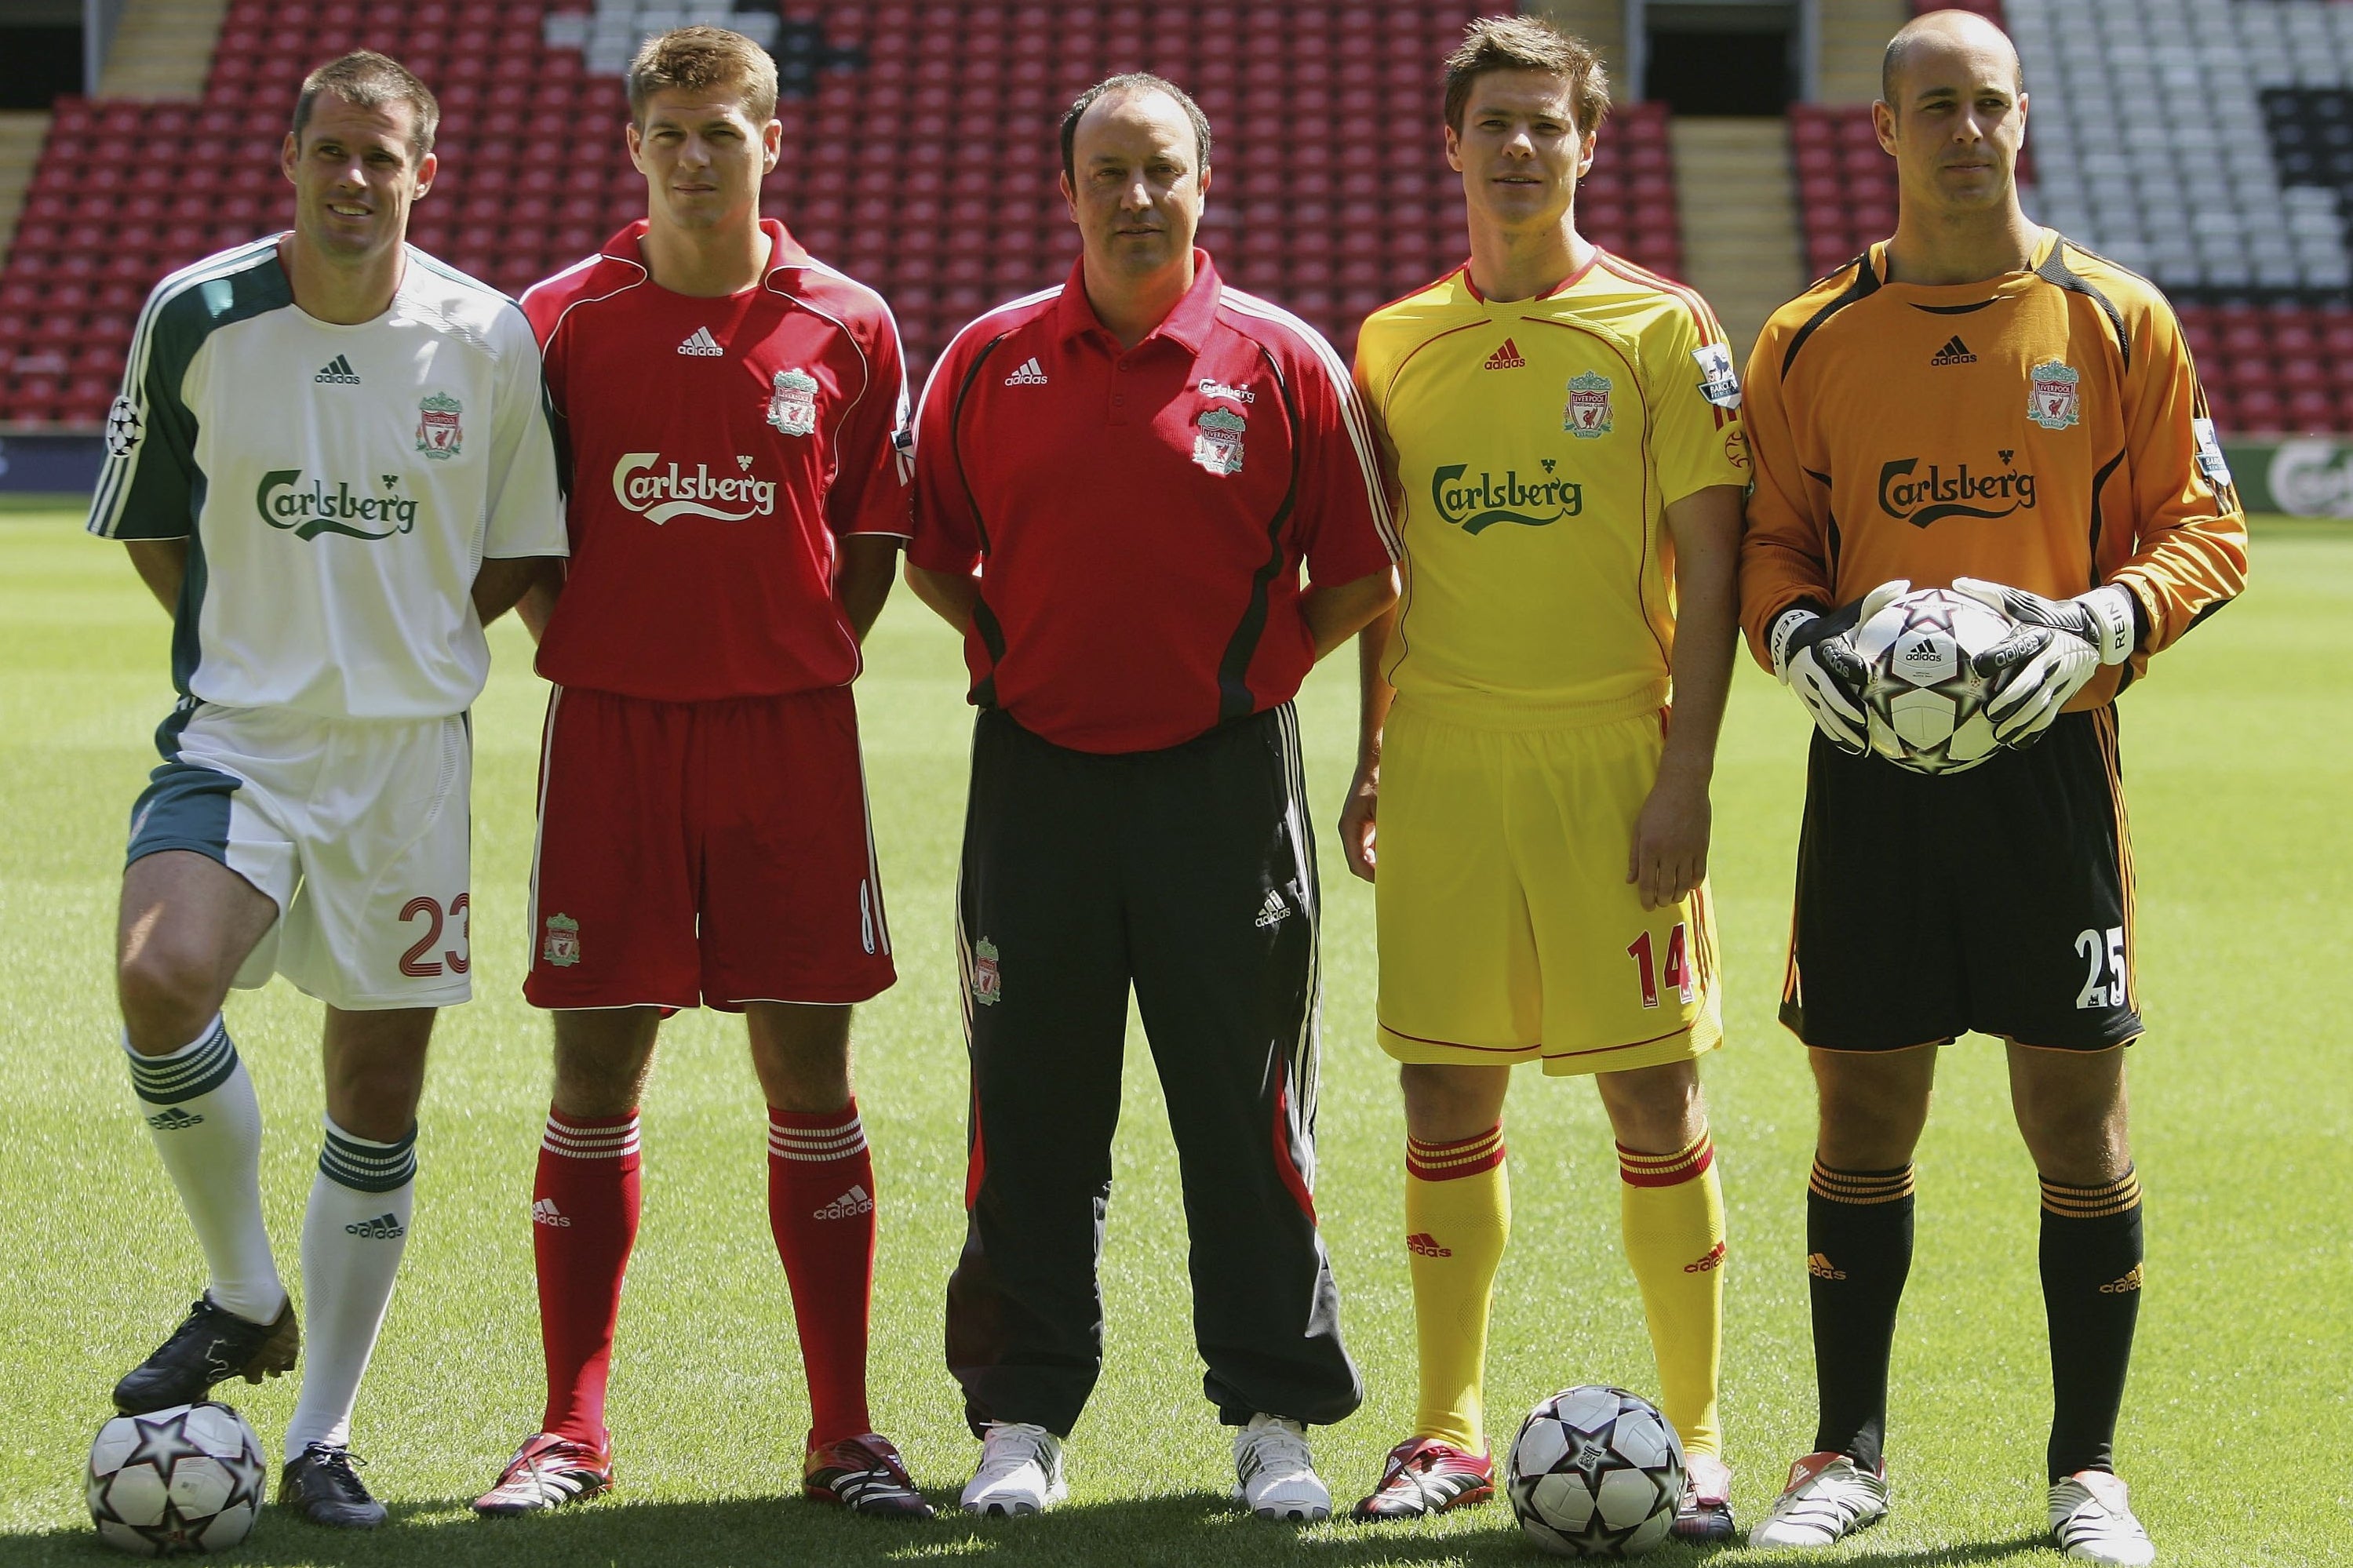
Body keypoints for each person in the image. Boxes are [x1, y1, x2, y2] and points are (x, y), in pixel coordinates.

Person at [1737, 12, 2247, 1563]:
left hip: (2050, 776)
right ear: (1881, 133)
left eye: (1991, 105)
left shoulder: (2117, 319)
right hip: (1872, 784)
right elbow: (1768, 544)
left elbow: (2206, 530)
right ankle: (1846, 1453)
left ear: (2026, 121)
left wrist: (2104, 617)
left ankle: (2087, 1470)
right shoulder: (1809, 338)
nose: (1967, 132)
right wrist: (1801, 636)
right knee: (1864, 1107)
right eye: (1935, 108)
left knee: (2075, 1116)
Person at [905, 71, 1397, 1523]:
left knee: (1243, 1116)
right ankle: (1022, 1421)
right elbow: (933, 550)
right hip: (1037, 786)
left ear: (1203, 185)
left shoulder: (1283, 360)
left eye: (1160, 170)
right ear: (1066, 191)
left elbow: (1364, 574)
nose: (1135, 195)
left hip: (1224, 793)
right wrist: (1009, 650)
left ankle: (1274, 1415)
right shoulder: (990, 360)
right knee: (1033, 1114)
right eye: (1107, 171)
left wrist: (1249, 675)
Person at [92, 51, 566, 1529]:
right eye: (333, 152)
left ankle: (318, 1440)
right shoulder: (200, 315)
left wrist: (406, 643)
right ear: (288, 159)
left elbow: (516, 554)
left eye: (385, 157)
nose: (356, 179)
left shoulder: (485, 337)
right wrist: (268, 651)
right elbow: (157, 527)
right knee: (162, 978)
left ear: (425, 174)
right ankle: (242, 1292)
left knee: (375, 1094)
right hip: (240, 743)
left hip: (410, 763)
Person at [468, 27, 926, 1519]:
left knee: (811, 1070)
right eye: (667, 131)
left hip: (790, 741)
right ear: (632, 148)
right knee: (595, 1071)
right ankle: (569, 1431)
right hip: (611, 734)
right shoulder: (556, 322)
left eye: (721, 129)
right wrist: (601, 645)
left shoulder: (851, 323)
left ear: (771, 143)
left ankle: (845, 1432)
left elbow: (867, 548)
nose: (693, 154)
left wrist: (785, 650)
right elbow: (529, 541)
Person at [1339, 16, 1748, 1541]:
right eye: (1492, 124)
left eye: (1546, 126)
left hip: (1610, 759)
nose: (1519, 148)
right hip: (1444, 759)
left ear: (1588, 144)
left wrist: (1686, 776)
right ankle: (1443, 1428)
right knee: (1445, 1086)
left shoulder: (1661, 327)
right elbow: (1383, 583)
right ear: (1450, 145)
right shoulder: (1391, 340)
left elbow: (1713, 574)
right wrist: (1373, 762)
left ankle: (1698, 1437)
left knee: (1651, 1090)